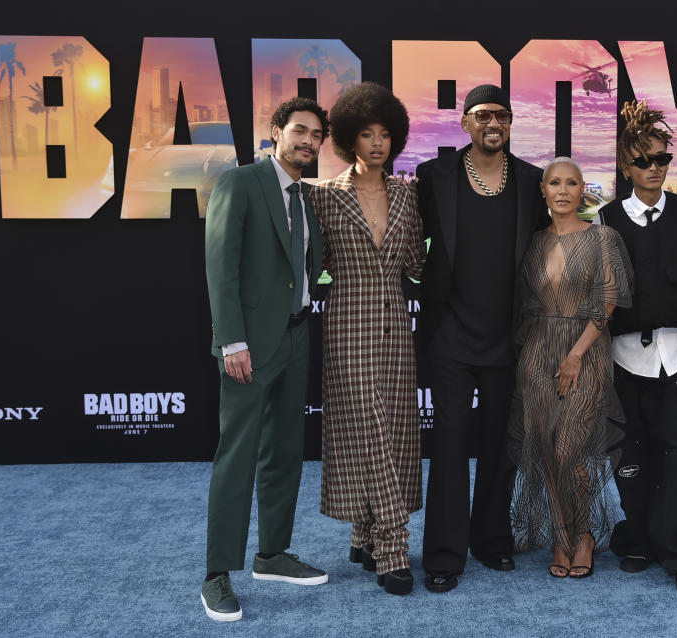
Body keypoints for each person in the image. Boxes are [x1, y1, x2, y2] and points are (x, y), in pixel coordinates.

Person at [416, 84, 549, 593]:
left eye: (503, 115)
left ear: (511, 123)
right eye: (483, 114)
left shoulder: (531, 182)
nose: (494, 123)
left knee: (500, 444)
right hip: (450, 333)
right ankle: (445, 555)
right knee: (448, 447)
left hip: (508, 337)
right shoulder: (437, 175)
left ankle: (492, 540)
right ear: (466, 123)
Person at [201, 97, 329, 621]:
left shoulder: (305, 195)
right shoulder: (242, 182)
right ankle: (216, 573)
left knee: (284, 451)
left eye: (317, 135)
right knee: (237, 455)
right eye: (300, 131)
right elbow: (220, 265)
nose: (308, 141)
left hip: (297, 338)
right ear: (276, 132)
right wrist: (232, 341)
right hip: (249, 346)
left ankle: (273, 554)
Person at [309, 82, 425, 596]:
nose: (377, 143)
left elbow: (418, 266)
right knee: (371, 423)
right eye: (366, 134)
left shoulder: (406, 194)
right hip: (348, 322)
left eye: (385, 134)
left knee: (395, 425)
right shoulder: (326, 198)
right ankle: (393, 547)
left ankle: (363, 529)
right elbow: (313, 262)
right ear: (348, 139)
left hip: (398, 326)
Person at [597, 100, 677, 593]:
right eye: (643, 161)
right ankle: (639, 539)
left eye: (662, 159)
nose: (653, 169)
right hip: (627, 362)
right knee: (632, 460)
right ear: (626, 166)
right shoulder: (605, 219)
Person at [507, 157, 632, 578]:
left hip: (586, 352)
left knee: (569, 448)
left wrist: (576, 354)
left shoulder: (603, 238)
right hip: (539, 352)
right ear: (542, 190)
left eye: (571, 183)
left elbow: (608, 301)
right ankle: (563, 536)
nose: (562, 190)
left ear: (583, 190)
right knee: (544, 447)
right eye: (554, 183)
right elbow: (524, 303)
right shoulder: (533, 242)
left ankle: (585, 536)